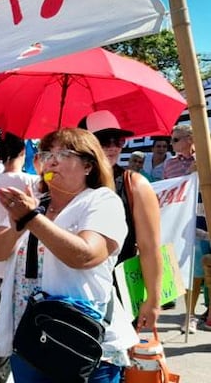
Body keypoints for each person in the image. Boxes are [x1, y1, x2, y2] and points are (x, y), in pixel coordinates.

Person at [0, 127, 137, 382]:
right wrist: (18, 222)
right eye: (46, 154)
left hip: (78, 345)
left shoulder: (101, 201)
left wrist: (31, 219)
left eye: (65, 153)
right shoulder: (35, 203)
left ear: (89, 166)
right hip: (30, 342)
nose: (52, 160)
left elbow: (86, 255)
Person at [80, 111, 162, 331]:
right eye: (105, 140)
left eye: (119, 140)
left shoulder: (135, 184)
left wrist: (153, 301)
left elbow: (150, 248)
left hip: (118, 293)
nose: (113, 147)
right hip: (74, 293)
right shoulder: (69, 184)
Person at [0, 133, 39, 383]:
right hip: (31, 261)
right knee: (25, 327)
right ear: (23, 152)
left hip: (0, 262)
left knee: (6, 325)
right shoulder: (33, 182)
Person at [163, 124, 206, 327]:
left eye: (176, 139)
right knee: (194, 271)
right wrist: (189, 175)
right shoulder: (170, 164)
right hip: (186, 224)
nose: (172, 144)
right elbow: (169, 191)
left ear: (191, 139)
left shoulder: (206, 158)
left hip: (206, 218)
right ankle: (190, 314)